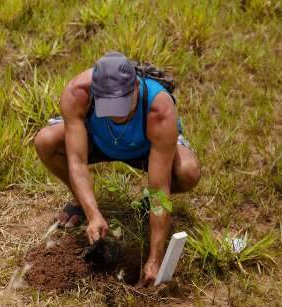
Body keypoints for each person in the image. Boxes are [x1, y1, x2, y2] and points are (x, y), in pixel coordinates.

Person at [34, 52, 201, 287]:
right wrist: (93, 215)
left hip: (145, 149)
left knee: (188, 171)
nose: (117, 114)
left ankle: (150, 214)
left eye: (122, 106)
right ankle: (80, 204)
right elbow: (77, 162)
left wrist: (155, 258)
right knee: (45, 140)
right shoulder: (78, 92)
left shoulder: (159, 109)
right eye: (109, 107)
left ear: (135, 86)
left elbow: (159, 190)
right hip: (99, 142)